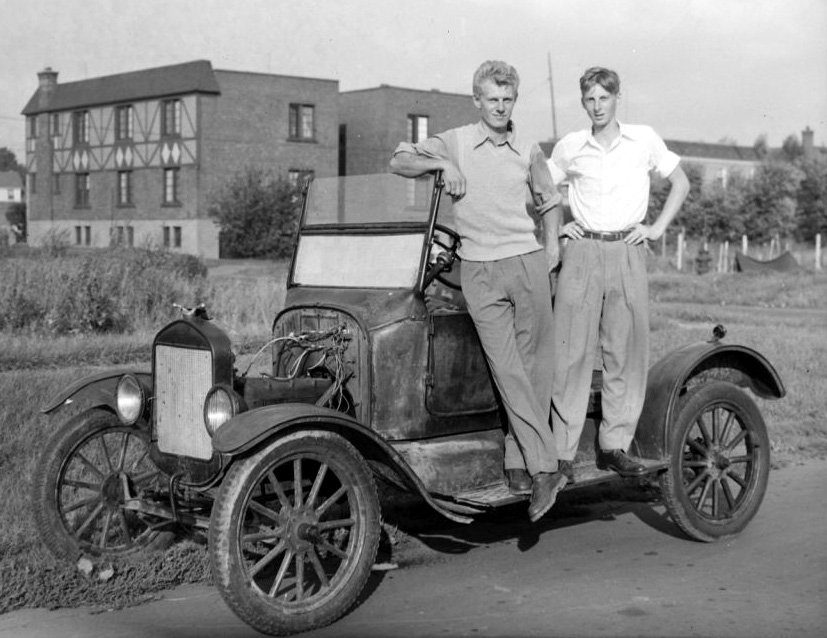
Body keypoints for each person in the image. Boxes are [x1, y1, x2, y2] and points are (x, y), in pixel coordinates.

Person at [389, 60, 567, 522]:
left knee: (535, 371)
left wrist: (550, 249)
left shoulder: (528, 148)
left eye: (508, 100)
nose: (500, 107)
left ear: (514, 102)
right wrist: (442, 162)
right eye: (492, 99)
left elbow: (550, 201)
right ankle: (546, 468)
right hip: (480, 270)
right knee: (506, 370)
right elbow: (399, 159)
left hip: (527, 265)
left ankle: (517, 463)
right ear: (477, 100)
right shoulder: (456, 142)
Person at [548, 66, 690, 482]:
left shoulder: (643, 139)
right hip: (583, 252)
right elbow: (537, 188)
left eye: (603, 98)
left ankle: (614, 445)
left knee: (624, 353)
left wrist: (656, 228)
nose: (597, 106)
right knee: (570, 353)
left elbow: (679, 183)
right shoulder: (571, 146)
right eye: (589, 100)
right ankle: (561, 454)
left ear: (616, 98)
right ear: (583, 103)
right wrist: (558, 225)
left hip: (627, 250)